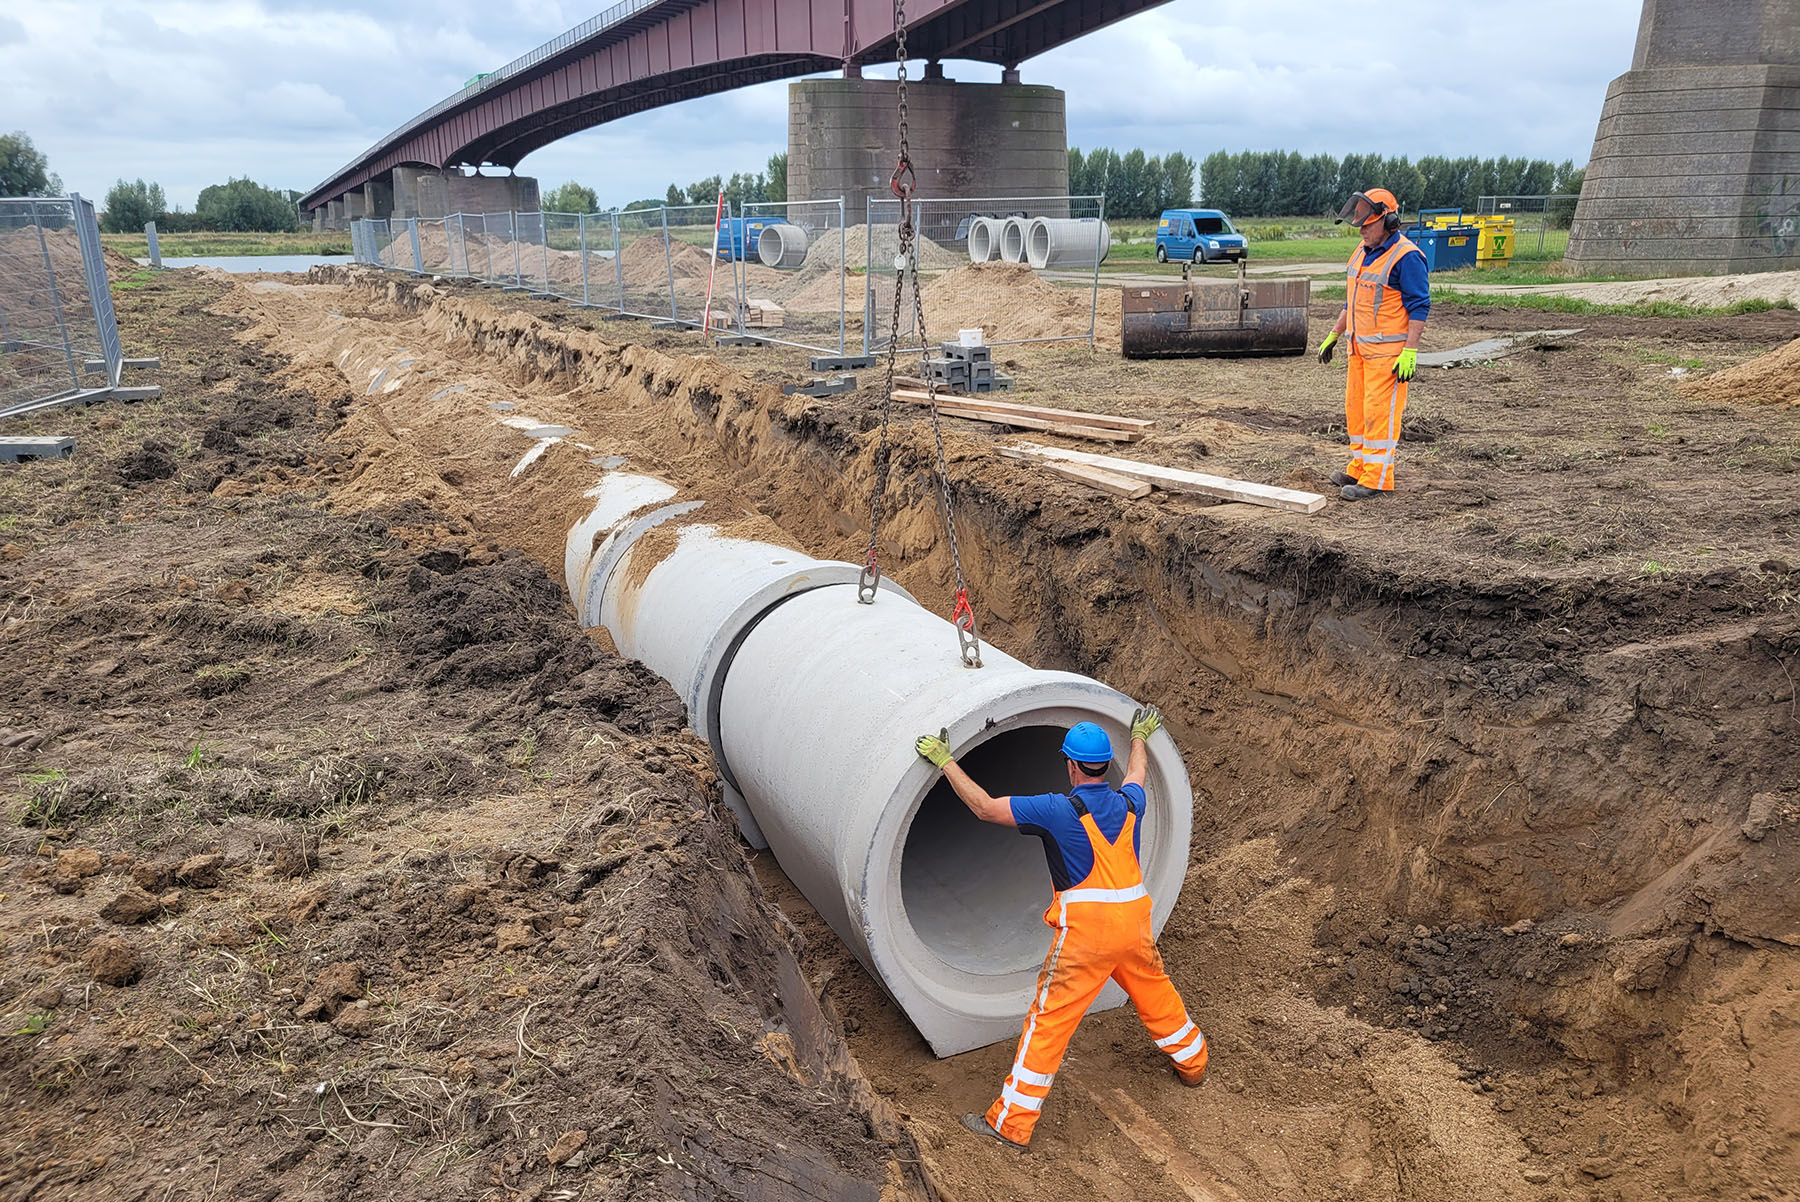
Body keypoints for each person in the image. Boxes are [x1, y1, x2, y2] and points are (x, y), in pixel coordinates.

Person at [914, 707, 1207, 1150]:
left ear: (1070, 766)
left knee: (1048, 1021)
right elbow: (1138, 773)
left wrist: (945, 760)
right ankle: (1193, 1062)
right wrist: (1140, 738)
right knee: (1155, 991)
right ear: (1104, 765)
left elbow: (985, 809)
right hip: (1134, 922)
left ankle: (1011, 1124)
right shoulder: (1131, 801)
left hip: (1087, 934)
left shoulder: (1056, 809)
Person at [1315, 187, 1430, 501]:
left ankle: (1378, 478)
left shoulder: (1406, 258)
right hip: (1359, 352)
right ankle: (1361, 466)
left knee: (1379, 414)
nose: (1362, 229)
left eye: (1367, 224)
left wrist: (1410, 350)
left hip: (1387, 356)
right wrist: (1334, 335)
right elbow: (1351, 302)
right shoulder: (1361, 251)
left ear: (1389, 221)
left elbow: (1420, 306)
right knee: (1357, 412)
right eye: (1359, 224)